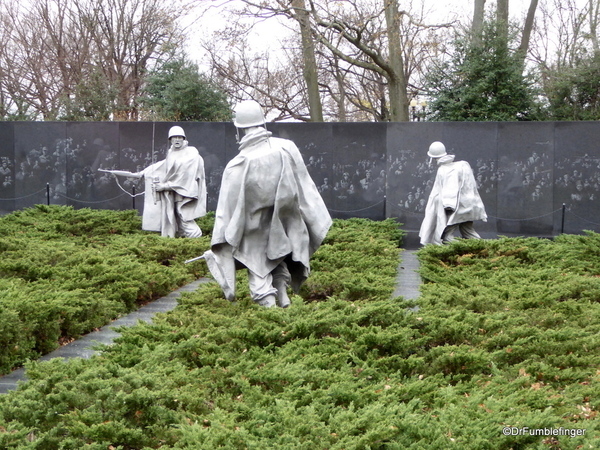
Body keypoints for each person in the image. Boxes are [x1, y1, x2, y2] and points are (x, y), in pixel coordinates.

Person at [200, 100, 332, 308]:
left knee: (257, 265)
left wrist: (220, 243)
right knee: (277, 252)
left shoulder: (236, 165)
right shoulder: (286, 148)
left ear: (239, 129)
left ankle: (270, 312)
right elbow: (305, 186)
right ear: (262, 123)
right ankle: (283, 295)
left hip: (253, 228)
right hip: (284, 220)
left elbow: (226, 212)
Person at [99, 126, 206, 238]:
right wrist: (142, 173)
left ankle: (195, 238)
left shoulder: (191, 153)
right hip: (174, 192)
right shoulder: (172, 152)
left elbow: (185, 175)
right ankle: (180, 238)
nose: (177, 140)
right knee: (174, 215)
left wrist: (165, 186)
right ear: (170, 140)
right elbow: (162, 165)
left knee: (184, 214)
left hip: (185, 191)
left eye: (180, 137)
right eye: (174, 138)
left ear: (184, 139)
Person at [419, 141, 487, 245]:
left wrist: (448, 206)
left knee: (446, 237)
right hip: (469, 204)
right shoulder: (462, 165)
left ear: (433, 157)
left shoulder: (444, 170)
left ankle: (458, 250)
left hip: (456, 208)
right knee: (468, 232)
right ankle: (484, 249)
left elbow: (450, 188)